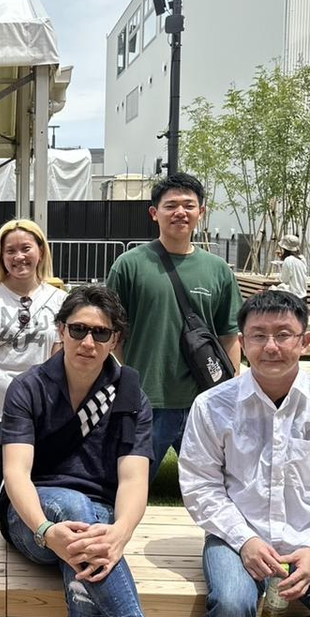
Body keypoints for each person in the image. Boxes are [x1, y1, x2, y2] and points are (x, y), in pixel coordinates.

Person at [179, 290, 310, 617]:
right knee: (230, 603)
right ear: (242, 343)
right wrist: (245, 540)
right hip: (235, 538)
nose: (271, 347)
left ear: (305, 342)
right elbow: (201, 485)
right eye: (258, 336)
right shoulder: (212, 406)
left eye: (283, 335)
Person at [0, 285, 153, 617]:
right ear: (61, 330)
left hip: (100, 523)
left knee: (84, 548)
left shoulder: (130, 396)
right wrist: (45, 530)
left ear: (114, 339)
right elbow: (16, 472)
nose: (88, 342)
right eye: (78, 329)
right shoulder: (28, 388)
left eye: (101, 333)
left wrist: (120, 534)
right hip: (32, 519)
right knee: (75, 508)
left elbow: (134, 479)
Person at [106, 172, 242, 483]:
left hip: (203, 400)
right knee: (129, 485)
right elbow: (113, 332)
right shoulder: (129, 265)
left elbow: (229, 334)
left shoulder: (218, 270)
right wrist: (137, 369)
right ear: (154, 213)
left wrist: (229, 391)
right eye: (170, 206)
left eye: (188, 205)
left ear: (201, 212)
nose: (180, 212)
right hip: (147, 399)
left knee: (218, 486)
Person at [0, 219, 66, 501]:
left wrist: (55, 413)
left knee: (36, 489)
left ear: (40, 251)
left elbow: (58, 360)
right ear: (0, 256)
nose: (19, 257)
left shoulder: (58, 299)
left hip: (37, 411)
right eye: (10, 251)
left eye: (26, 248)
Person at [272, 234, 308, 300]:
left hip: (294, 296)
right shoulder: (302, 258)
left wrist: (279, 274)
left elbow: (284, 279)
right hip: (303, 295)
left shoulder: (288, 260)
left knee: (272, 289)